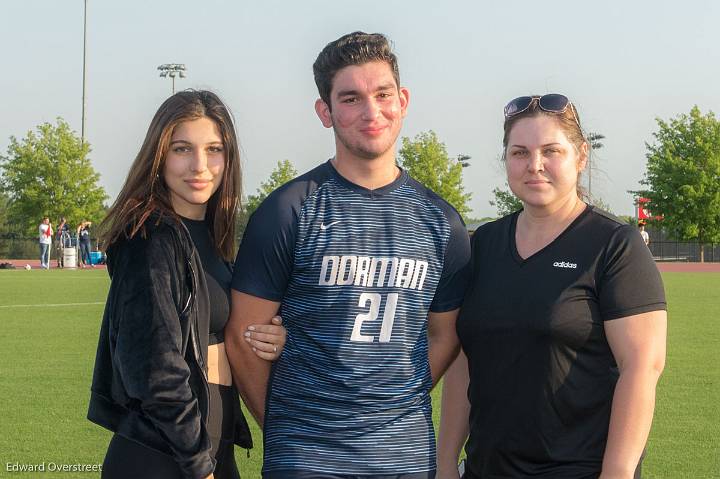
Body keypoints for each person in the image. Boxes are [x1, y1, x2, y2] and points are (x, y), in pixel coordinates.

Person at [225, 32, 471, 479]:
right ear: (326, 111)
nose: (372, 112)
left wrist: (391, 405)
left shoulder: (442, 221)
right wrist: (288, 426)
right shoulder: (288, 210)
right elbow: (245, 338)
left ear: (404, 100)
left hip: (406, 455)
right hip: (308, 457)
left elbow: (445, 335)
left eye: (383, 95)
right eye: (351, 98)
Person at [437, 94, 667, 479]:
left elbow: (642, 368)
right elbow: (464, 361)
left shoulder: (614, 246)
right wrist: (445, 464)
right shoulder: (482, 245)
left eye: (551, 151)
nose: (534, 166)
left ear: (580, 156)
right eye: (520, 152)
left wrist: (618, 473)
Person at [88, 90, 287, 479]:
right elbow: (154, 371)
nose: (200, 165)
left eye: (214, 149)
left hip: (212, 450)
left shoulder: (209, 237)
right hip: (164, 458)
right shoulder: (149, 237)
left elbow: (211, 332)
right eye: (183, 149)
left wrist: (266, 337)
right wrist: (199, 466)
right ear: (159, 156)